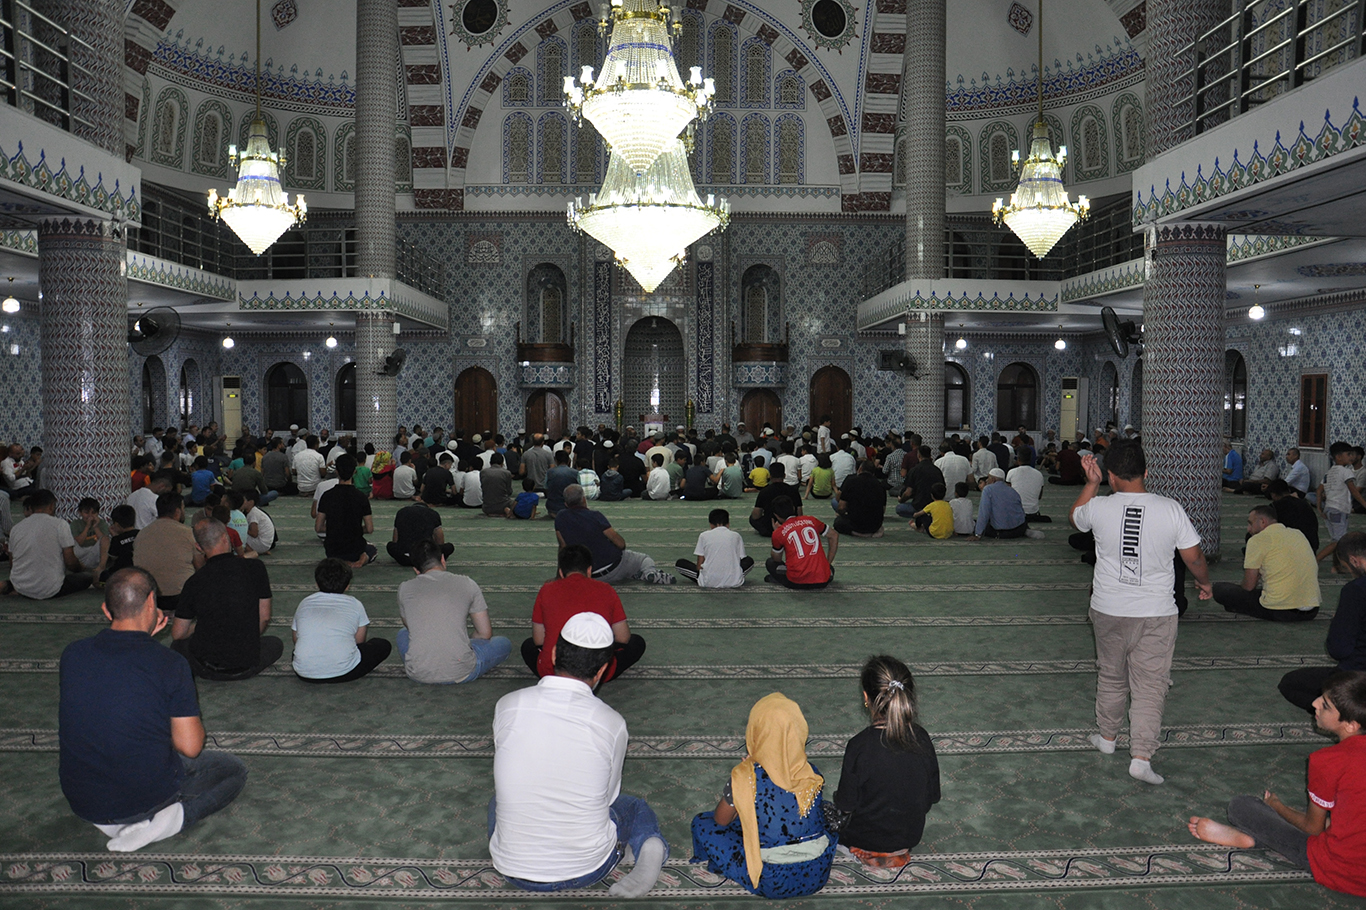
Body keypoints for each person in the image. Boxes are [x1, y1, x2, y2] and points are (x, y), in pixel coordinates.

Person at [58, 567, 247, 852]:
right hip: (145, 796)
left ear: (106, 611)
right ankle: (170, 821)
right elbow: (190, 747)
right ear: (151, 603)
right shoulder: (169, 664)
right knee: (234, 770)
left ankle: (112, 823)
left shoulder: (72, 654)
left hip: (84, 801)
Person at [490, 611, 668, 896]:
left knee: (498, 801)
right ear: (601, 671)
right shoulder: (612, 723)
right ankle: (650, 847)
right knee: (633, 807)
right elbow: (607, 798)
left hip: (512, 869)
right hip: (587, 869)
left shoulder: (507, 705)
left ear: (553, 654)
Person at [1069, 440, 1213, 785]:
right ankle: (1141, 757)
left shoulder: (1099, 506)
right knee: (1150, 685)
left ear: (1111, 476)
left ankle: (1106, 738)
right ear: (1147, 472)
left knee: (1112, 674)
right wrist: (1205, 583)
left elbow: (1076, 519)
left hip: (1107, 609)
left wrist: (1090, 483)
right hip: (1155, 613)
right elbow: (1193, 557)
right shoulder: (1170, 508)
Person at [1188, 671, 1366, 898]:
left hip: (1344, 871)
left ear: (1351, 725)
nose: (1314, 704)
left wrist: (1276, 805)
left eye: (1326, 705)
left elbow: (1313, 829)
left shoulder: (1328, 761)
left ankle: (1252, 839)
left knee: (1242, 807)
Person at [691, 693, 837, 898]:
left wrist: (745, 775)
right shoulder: (811, 773)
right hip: (818, 874)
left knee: (702, 823)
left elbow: (720, 820)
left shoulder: (745, 776)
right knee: (821, 807)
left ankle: (720, 865)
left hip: (770, 880)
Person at [834, 656, 940, 868]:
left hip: (864, 838)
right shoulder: (922, 738)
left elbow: (845, 805)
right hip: (908, 837)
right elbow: (932, 797)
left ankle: (862, 851)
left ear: (866, 697)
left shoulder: (859, 745)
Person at [170, 517, 282, 681]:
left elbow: (178, 633)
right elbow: (264, 618)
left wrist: (199, 625)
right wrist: (246, 639)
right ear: (226, 538)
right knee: (275, 643)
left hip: (206, 666)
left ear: (199, 547)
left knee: (177, 646)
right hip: (246, 663)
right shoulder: (256, 568)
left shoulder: (194, 581)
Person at [522, 544, 646, 682]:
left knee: (528, 646)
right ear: (589, 570)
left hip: (553, 671)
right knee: (636, 642)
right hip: (597, 672)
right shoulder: (606, 590)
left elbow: (539, 640)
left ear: (561, 572)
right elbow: (623, 638)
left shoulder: (546, 590)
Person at [397, 540, 511, 684]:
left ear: (416, 570)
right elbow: (484, 633)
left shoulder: (404, 588)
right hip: (462, 670)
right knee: (503, 643)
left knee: (402, 634)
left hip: (417, 672)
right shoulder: (467, 583)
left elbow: (411, 627)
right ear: (443, 559)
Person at [1279, 532, 1366, 712]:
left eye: (1346, 567)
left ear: (1355, 561)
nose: (1350, 572)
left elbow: (1339, 649)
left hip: (1358, 676)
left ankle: (1353, 716)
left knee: (1290, 684)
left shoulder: (1356, 591)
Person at [1213, 505, 1321, 622]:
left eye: (1250, 523)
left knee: (1220, 589)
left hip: (1281, 611)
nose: (1248, 529)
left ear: (1263, 522)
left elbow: (1249, 586)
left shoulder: (1257, 540)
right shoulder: (1298, 533)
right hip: (1312, 610)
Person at [291, 558, 392, 683]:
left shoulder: (304, 603)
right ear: (348, 585)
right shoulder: (355, 604)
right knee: (382, 645)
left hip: (304, 672)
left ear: (316, 583)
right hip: (345, 672)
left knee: (300, 651)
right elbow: (359, 642)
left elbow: (296, 639)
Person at [555, 484, 674, 585]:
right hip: (613, 567)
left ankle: (638, 574)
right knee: (644, 559)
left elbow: (563, 548)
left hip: (589, 575)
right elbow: (621, 544)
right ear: (584, 499)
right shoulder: (596, 516)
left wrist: (559, 578)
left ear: (566, 504)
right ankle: (650, 573)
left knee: (630, 568)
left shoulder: (560, 517)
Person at [0, 489, 93, 598]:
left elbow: (12, 564)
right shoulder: (60, 525)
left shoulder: (16, 528)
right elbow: (70, 563)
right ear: (51, 506)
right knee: (87, 577)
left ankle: (10, 586)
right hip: (50, 589)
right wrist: (81, 568)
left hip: (21, 586)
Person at [132, 493, 202, 613]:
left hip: (148, 597)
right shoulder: (188, 533)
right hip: (180, 597)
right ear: (177, 511)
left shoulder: (142, 533)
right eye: (183, 508)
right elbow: (200, 567)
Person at [315, 455, 378, 568]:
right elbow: (369, 529)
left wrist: (337, 528)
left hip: (332, 550)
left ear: (337, 471)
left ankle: (339, 561)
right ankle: (361, 560)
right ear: (354, 472)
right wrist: (353, 529)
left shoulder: (327, 496)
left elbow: (318, 527)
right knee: (372, 549)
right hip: (355, 549)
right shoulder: (361, 497)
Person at [766, 496, 836, 589]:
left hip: (796, 582)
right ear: (793, 508)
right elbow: (834, 535)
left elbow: (777, 559)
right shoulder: (811, 520)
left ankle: (779, 578)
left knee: (770, 563)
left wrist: (777, 534)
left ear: (776, 515)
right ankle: (826, 570)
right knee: (828, 568)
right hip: (823, 580)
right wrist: (828, 562)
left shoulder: (779, 532)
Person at [676, 508, 754, 587]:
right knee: (749, 560)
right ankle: (733, 577)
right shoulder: (736, 536)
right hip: (734, 581)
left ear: (711, 524)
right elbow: (741, 559)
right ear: (728, 524)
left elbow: (699, 565)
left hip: (708, 582)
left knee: (680, 563)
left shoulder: (703, 536)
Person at [1317, 441, 1366, 564]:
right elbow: (1354, 491)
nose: (1351, 457)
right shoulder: (1346, 472)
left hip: (1329, 509)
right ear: (1339, 457)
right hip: (1338, 510)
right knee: (1339, 541)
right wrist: (1365, 504)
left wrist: (1319, 508)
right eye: (1348, 454)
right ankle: (1314, 560)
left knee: (1338, 540)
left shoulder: (1329, 472)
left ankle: (1338, 566)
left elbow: (1319, 490)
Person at [971, 469, 1042, 540]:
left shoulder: (988, 489)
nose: (986, 480)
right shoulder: (1012, 490)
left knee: (974, 523)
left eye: (988, 478)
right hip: (1019, 529)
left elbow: (984, 513)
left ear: (993, 479)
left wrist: (978, 534)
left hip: (1001, 532)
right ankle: (1026, 531)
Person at [388, 497, 454, 566]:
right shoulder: (433, 514)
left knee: (390, 546)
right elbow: (440, 541)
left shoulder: (401, 512)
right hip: (426, 554)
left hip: (406, 555)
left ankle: (408, 559)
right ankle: (429, 560)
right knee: (449, 547)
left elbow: (395, 540)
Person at [832, 458, 886, 538]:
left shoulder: (851, 481)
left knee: (838, 522)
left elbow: (841, 507)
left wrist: (844, 514)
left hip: (856, 525)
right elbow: (883, 509)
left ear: (860, 469)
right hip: (874, 526)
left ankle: (857, 533)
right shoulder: (880, 485)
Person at [749, 462, 802, 536]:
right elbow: (799, 514)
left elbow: (756, 516)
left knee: (752, 519)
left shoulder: (764, 491)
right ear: (784, 475)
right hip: (790, 527)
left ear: (770, 477)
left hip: (769, 527)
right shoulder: (793, 491)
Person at [1268, 478, 1320, 552]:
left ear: (1273, 495)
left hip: (1291, 549)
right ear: (1289, 491)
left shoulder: (1275, 507)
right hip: (1311, 547)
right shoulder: (1305, 504)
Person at [96, 505, 139, 583]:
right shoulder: (140, 533)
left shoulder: (116, 540)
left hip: (121, 572)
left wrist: (115, 536)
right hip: (139, 570)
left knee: (103, 575)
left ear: (117, 524)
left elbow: (113, 558)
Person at [69, 497, 109, 574]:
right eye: (86, 512)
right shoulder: (75, 523)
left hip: (94, 552)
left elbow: (104, 542)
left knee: (106, 539)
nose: (90, 516)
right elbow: (79, 542)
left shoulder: (102, 523)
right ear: (80, 513)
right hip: (80, 552)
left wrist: (95, 527)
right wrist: (87, 526)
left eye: (93, 513)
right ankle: (80, 567)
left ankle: (101, 567)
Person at [241, 488, 276, 555]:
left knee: (239, 534)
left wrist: (243, 528)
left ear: (251, 502)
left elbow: (254, 534)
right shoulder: (254, 511)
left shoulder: (253, 513)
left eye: (243, 500)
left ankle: (251, 552)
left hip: (261, 543)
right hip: (266, 544)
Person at [544, 450, 579, 516]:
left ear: (556, 460)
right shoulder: (575, 473)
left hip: (553, 507)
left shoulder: (549, 472)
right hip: (570, 507)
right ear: (568, 460)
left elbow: (546, 488)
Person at [482, 452, 515, 517]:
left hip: (487, 507)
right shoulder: (507, 473)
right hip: (503, 505)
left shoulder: (483, 472)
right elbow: (509, 491)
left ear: (490, 463)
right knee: (516, 502)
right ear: (502, 463)